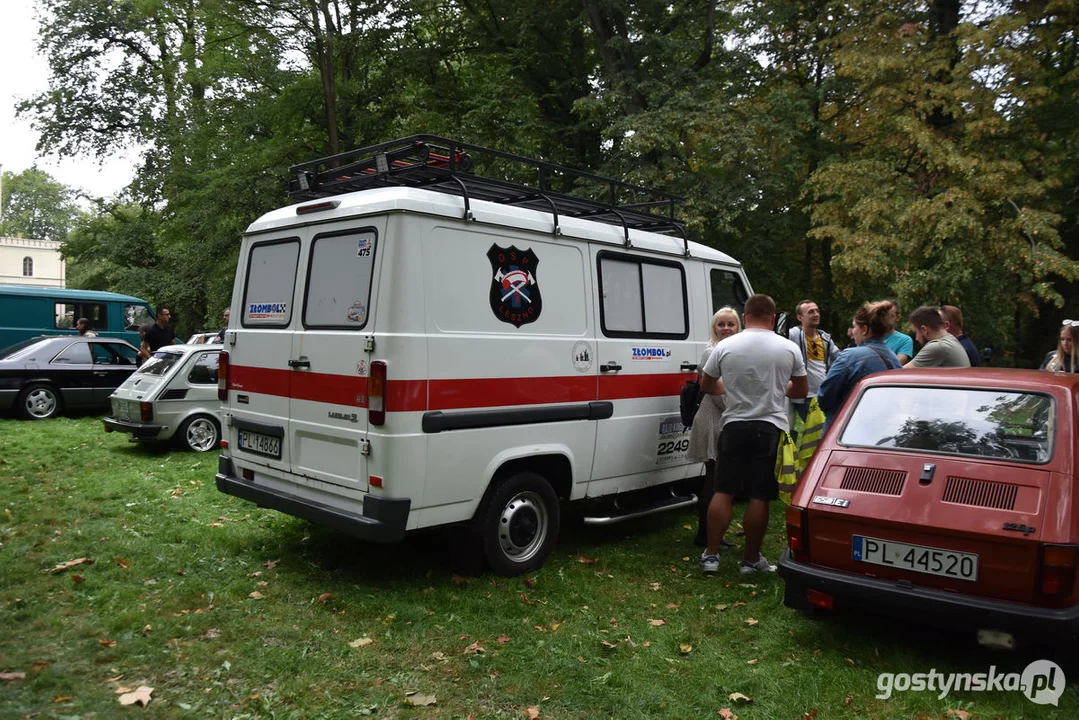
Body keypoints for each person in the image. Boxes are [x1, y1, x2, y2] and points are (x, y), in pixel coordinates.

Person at [699, 294, 807, 575]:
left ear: (745, 318)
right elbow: (801, 390)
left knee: (723, 490)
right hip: (769, 428)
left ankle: (711, 556)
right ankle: (750, 560)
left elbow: (706, 383)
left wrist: (730, 389)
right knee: (759, 494)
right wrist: (777, 389)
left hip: (733, 425)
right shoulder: (788, 348)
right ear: (773, 318)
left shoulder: (726, 346)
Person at [686, 307, 741, 549]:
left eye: (731, 324)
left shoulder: (734, 351)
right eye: (722, 324)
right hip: (714, 421)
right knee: (714, 479)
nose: (726, 328)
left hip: (724, 418)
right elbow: (717, 394)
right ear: (714, 328)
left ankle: (710, 534)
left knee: (718, 479)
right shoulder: (712, 351)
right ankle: (706, 536)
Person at [817, 301, 902, 432]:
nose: (852, 332)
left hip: (845, 432)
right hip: (881, 432)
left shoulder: (849, 357)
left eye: (854, 327)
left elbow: (825, 396)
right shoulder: (894, 360)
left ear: (865, 330)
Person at [787, 299, 839, 421]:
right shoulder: (793, 335)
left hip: (823, 394)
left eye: (817, 311)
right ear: (800, 317)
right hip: (805, 396)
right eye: (810, 312)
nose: (816, 314)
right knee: (819, 431)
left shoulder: (825, 338)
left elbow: (839, 358)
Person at [903, 306, 970, 368]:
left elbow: (900, 373)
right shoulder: (951, 340)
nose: (916, 338)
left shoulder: (938, 346)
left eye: (916, 333)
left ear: (924, 329)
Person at [881, 299, 914, 364]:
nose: (885, 320)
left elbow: (897, 364)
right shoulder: (868, 337)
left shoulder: (905, 340)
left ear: (897, 317)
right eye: (882, 315)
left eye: (890, 316)